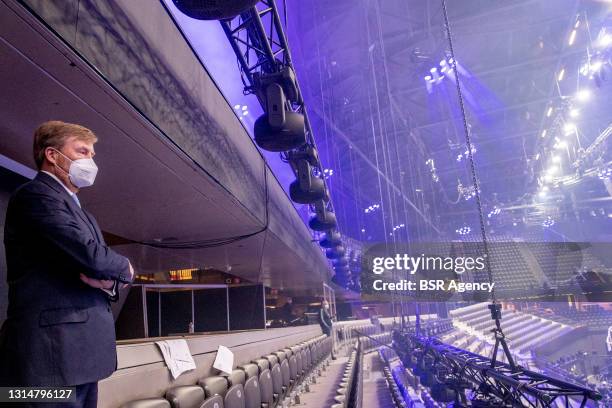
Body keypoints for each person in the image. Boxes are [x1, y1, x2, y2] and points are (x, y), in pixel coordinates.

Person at [0, 121, 134, 407]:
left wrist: (110, 281)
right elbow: (94, 258)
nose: (91, 160)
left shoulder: (75, 207)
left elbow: (99, 265)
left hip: (80, 359)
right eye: (82, 151)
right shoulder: (36, 195)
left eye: (92, 154)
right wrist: (126, 268)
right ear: (52, 155)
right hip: (49, 363)